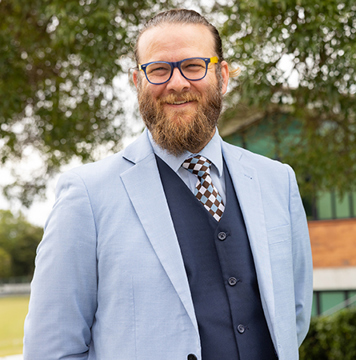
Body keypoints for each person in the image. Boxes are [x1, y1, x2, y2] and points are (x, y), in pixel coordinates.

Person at [23, 9, 313, 360]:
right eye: (159, 70)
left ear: (222, 76)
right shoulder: (86, 195)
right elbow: (51, 349)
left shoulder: (277, 180)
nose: (177, 84)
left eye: (193, 66)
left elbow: (292, 317)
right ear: (138, 82)